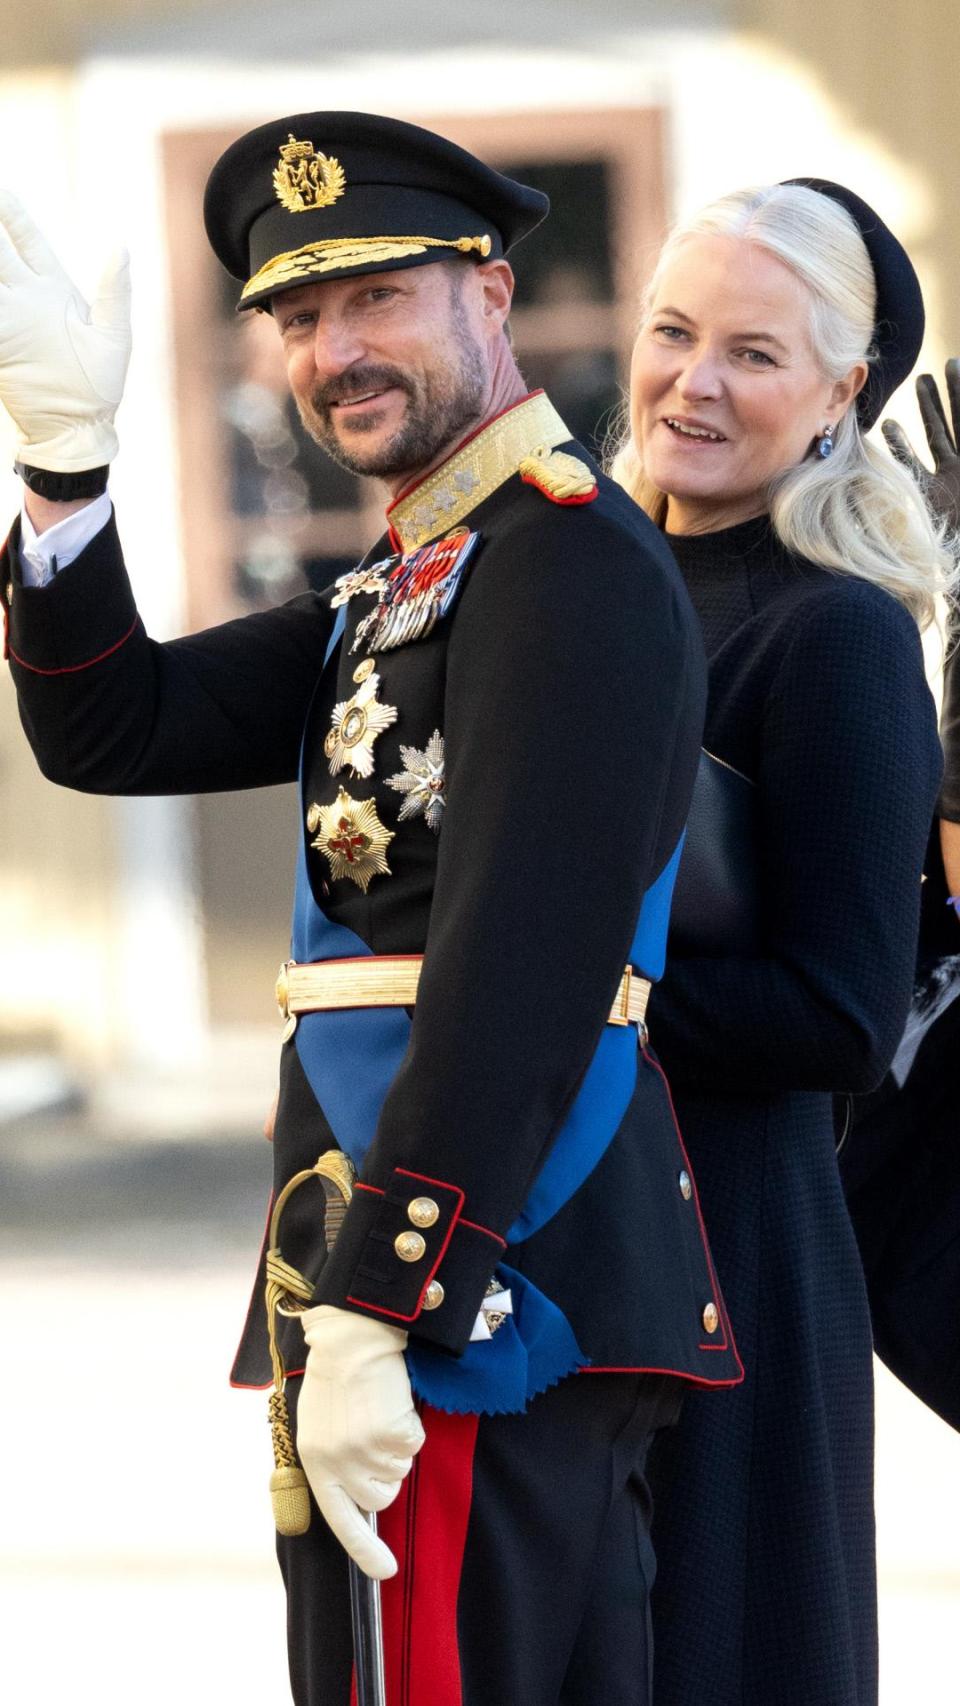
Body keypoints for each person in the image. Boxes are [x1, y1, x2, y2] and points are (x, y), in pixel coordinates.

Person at [0, 113, 743, 1706]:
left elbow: (525, 960)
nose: (333, 351)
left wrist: (389, 1293)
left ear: (493, 291)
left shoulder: (566, 562)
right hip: (410, 1277)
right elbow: (113, 726)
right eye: (297, 317)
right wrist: (65, 469)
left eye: (376, 298)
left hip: (489, 1286)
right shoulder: (413, 575)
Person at [611, 178, 950, 1706]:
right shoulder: (576, 584)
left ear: (839, 394)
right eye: (674, 332)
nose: (693, 381)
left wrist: (556, 985)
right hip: (562, 1228)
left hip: (735, 1260)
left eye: (753, 353)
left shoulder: (837, 633)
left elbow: (840, 1013)